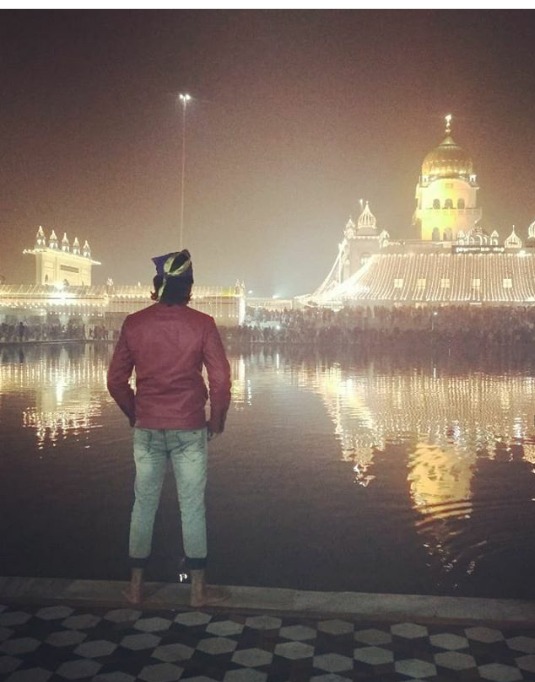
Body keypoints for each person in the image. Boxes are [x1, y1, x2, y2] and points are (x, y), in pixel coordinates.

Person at [107, 249, 232, 606]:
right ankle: (197, 591)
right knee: (192, 507)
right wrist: (216, 421)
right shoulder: (203, 324)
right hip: (189, 428)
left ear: (158, 284)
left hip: (147, 428)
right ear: (188, 286)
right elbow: (221, 380)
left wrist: (135, 412)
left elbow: (115, 381)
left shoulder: (134, 324)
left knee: (143, 505)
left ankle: (135, 588)